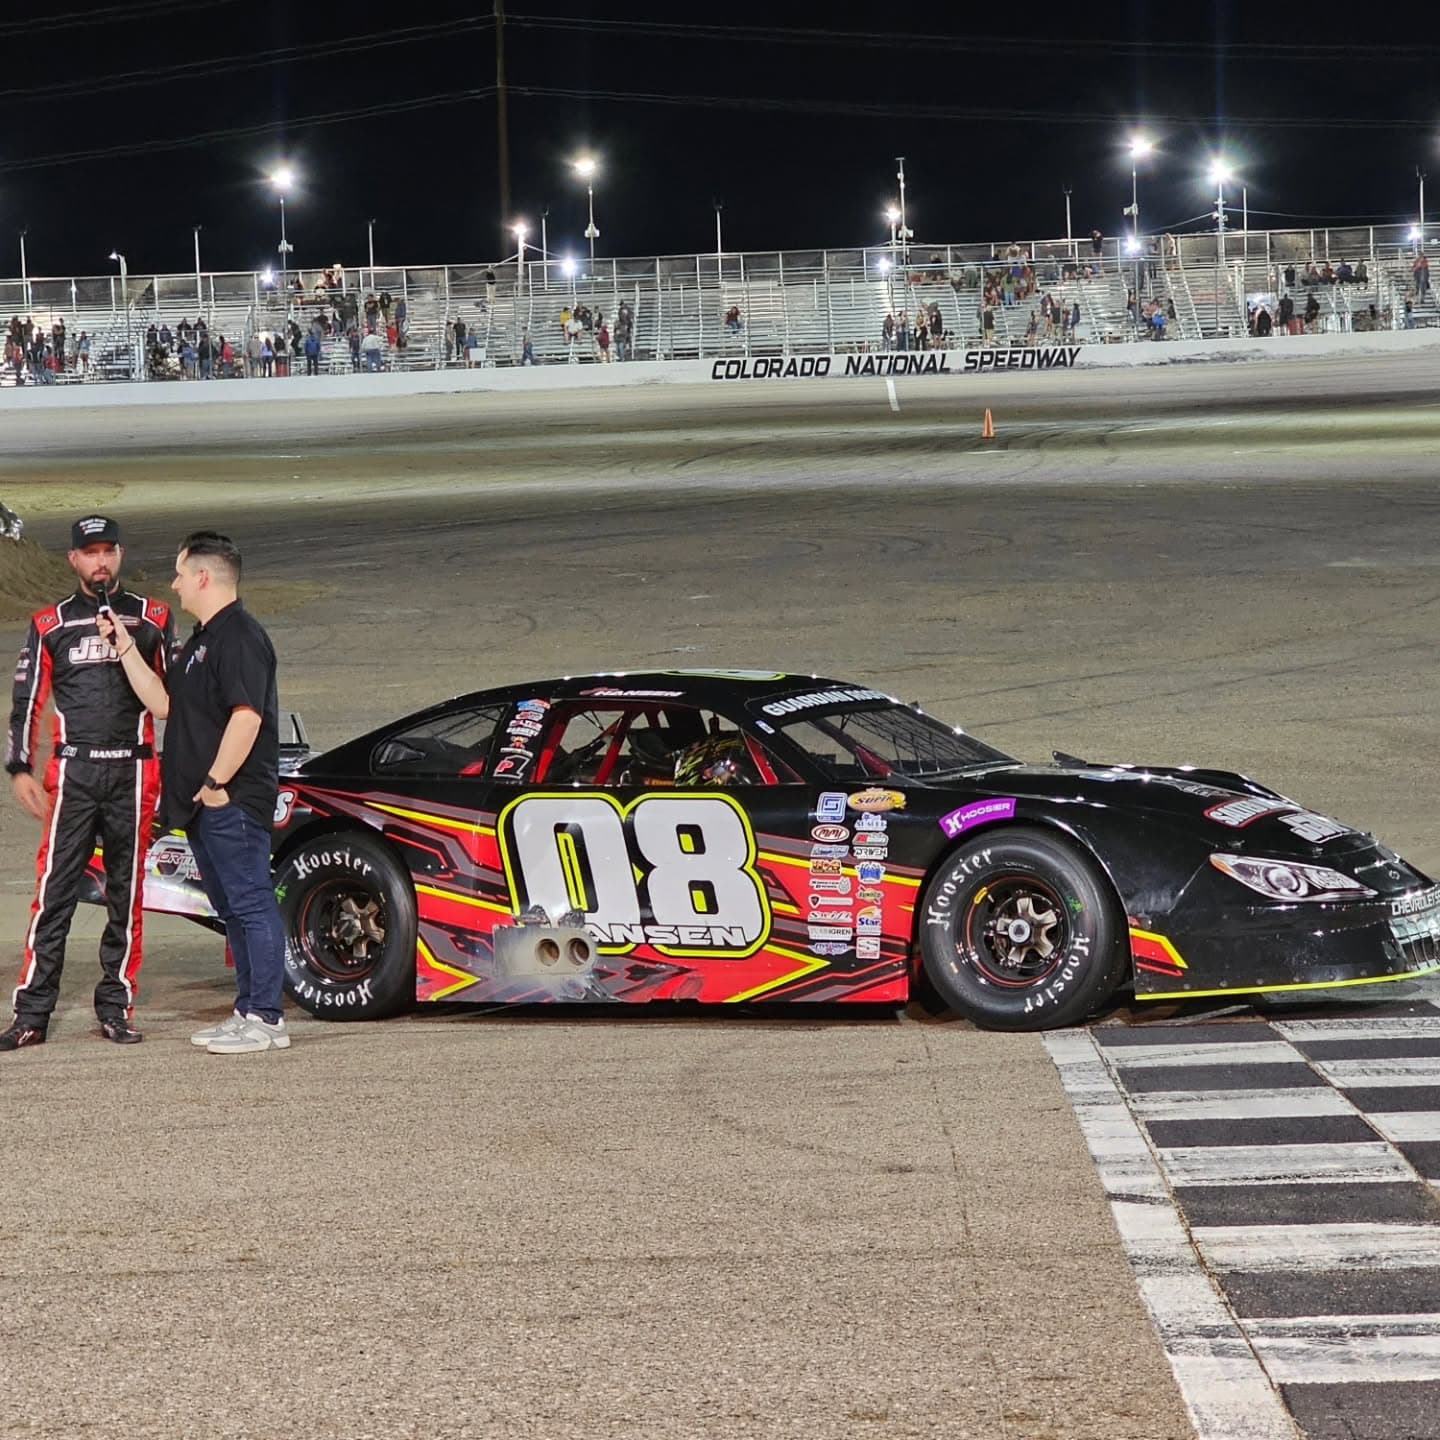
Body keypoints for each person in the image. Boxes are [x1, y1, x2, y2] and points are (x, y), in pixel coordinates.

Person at [102, 531, 288, 1054]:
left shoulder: (241, 638)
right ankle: (248, 1009)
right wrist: (123, 649)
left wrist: (215, 784)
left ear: (203, 576)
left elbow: (247, 718)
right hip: (204, 807)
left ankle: (268, 1018)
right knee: (231, 909)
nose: (175, 583)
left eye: (181, 573)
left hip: (231, 802)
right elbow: (165, 705)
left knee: (251, 905)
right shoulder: (202, 640)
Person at [2, 516, 176, 1050]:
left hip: (135, 770)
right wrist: (19, 768)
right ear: (73, 559)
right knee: (54, 894)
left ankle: (115, 1007)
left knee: (126, 896)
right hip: (73, 774)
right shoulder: (49, 623)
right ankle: (31, 1014)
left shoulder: (152, 617)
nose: (100, 562)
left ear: (120, 555)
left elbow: (180, 702)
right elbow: (27, 701)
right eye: (89, 553)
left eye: (108, 551)